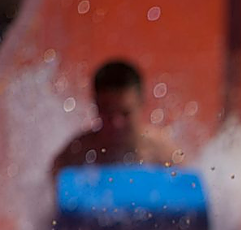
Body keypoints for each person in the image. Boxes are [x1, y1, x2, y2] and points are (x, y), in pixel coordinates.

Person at [51, 59, 183, 175]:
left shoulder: (163, 154)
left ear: (141, 104)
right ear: (95, 106)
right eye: (107, 112)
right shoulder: (76, 154)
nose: (116, 123)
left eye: (125, 113)